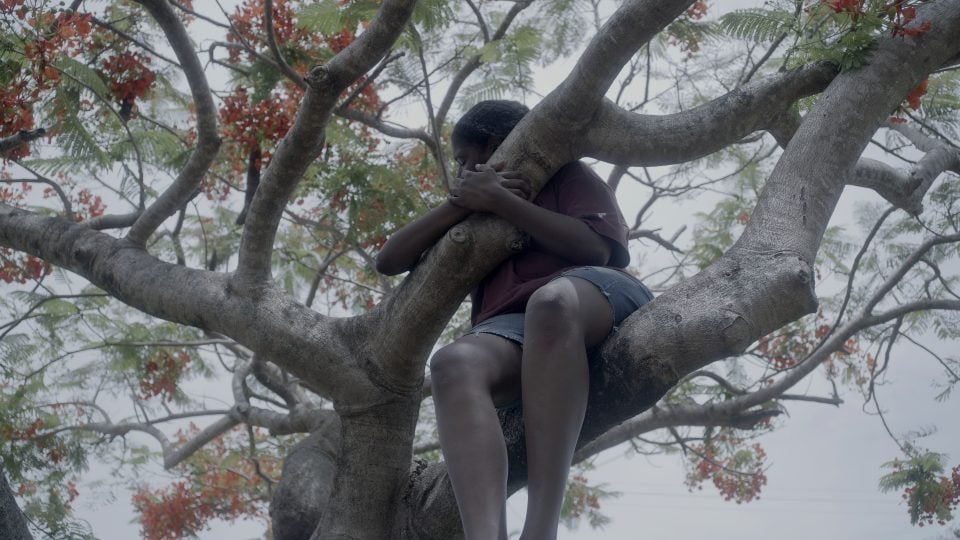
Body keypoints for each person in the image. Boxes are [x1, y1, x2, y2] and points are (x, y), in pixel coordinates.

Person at [376, 100, 653, 540]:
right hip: (512, 328)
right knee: (452, 363)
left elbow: (595, 249)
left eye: (466, 159)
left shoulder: (567, 175)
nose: (462, 170)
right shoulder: (469, 211)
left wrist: (503, 201)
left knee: (551, 304)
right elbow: (389, 260)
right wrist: (464, 204)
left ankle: (540, 529)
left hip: (593, 295)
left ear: (496, 145)